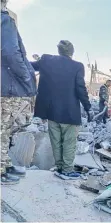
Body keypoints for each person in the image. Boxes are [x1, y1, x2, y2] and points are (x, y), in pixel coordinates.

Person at [31, 40, 94, 179]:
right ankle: (67, 170)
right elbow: (80, 88)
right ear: (72, 52)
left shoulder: (46, 60)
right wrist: (88, 107)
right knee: (69, 143)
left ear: (59, 50)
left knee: (56, 142)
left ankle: (59, 167)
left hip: (51, 112)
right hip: (70, 114)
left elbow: (29, 66)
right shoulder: (77, 66)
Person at [1, 0, 37, 185]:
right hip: (6, 87)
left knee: (4, 129)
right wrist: (25, 77)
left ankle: (4, 164)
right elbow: (10, 52)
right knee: (3, 128)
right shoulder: (4, 20)